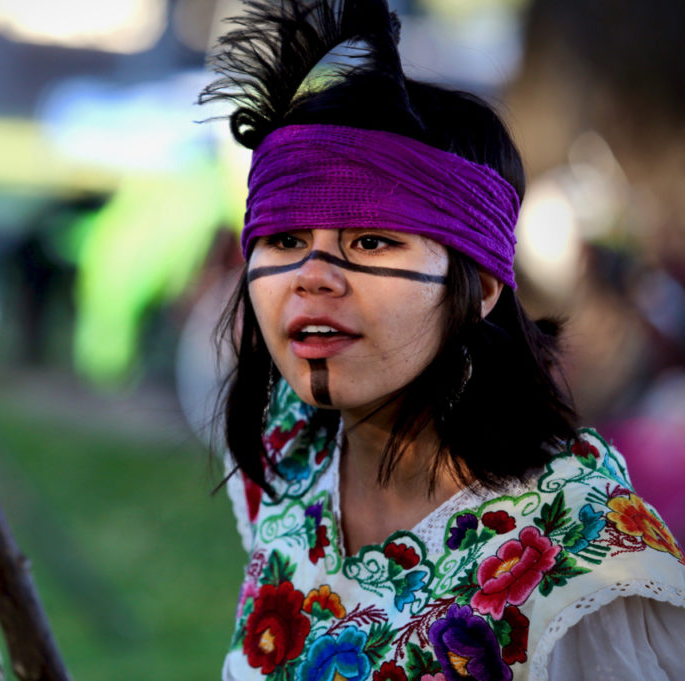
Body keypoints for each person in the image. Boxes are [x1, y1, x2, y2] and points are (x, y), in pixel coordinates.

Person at [198, 1, 685, 679]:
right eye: (284, 238)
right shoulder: (291, 450)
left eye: (369, 240)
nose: (313, 277)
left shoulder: (581, 551)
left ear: (481, 285)